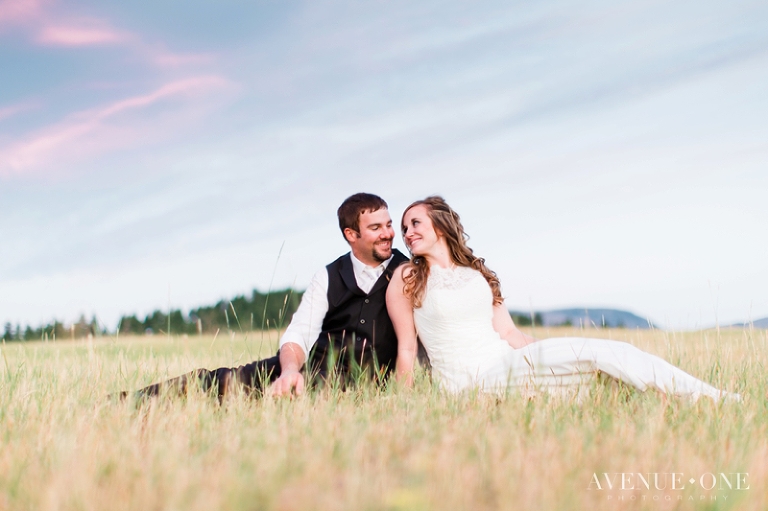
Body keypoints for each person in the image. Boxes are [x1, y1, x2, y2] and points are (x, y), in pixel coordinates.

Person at [386, 196, 740, 402]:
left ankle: (708, 400)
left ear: (441, 225)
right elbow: (407, 348)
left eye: (415, 223)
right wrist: (403, 405)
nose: (407, 233)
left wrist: (556, 352)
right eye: (404, 228)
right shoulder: (408, 277)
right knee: (602, 362)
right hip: (466, 382)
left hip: (507, 361)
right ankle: (710, 400)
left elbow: (508, 334)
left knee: (606, 357)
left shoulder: (477, 272)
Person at [129, 193, 409, 400]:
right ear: (351, 234)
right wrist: (289, 372)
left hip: (353, 387)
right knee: (221, 382)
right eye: (376, 228)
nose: (388, 234)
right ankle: (132, 401)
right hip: (306, 367)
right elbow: (299, 334)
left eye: (388, 225)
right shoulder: (328, 276)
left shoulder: (408, 272)